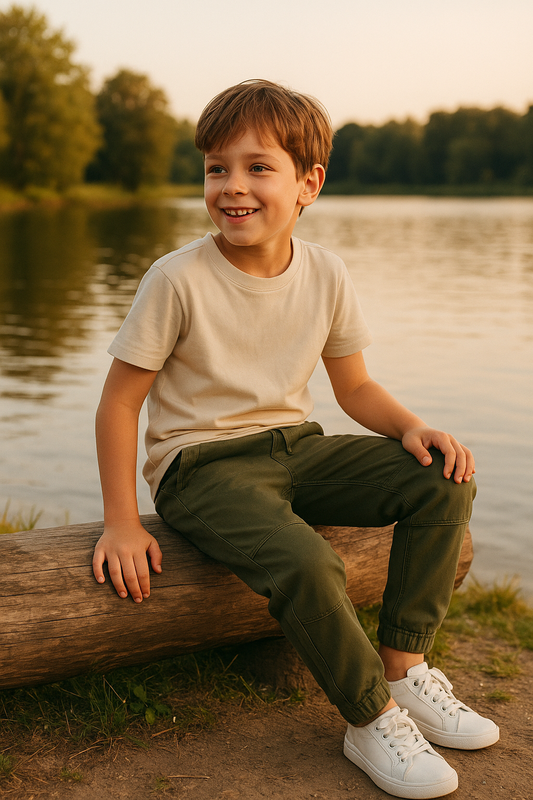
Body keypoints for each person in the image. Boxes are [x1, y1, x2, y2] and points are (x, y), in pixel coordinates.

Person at [92, 79, 499, 799]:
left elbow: (354, 389)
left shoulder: (326, 272)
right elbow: (120, 403)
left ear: (308, 183)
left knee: (441, 476)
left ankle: (403, 670)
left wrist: (411, 427)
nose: (231, 187)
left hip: (294, 445)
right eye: (216, 168)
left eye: (256, 167)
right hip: (201, 467)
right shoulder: (175, 278)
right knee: (309, 563)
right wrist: (122, 522)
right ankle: (368, 719)